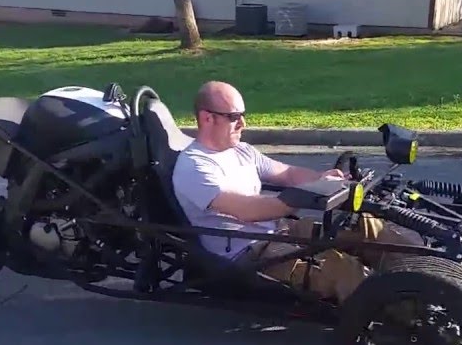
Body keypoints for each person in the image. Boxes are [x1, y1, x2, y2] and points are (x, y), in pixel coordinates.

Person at [170, 80, 420, 303]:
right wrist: (307, 195)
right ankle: (414, 313)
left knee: (364, 227)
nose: (243, 123)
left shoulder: (241, 150)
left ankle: (424, 274)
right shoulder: (194, 166)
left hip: (279, 231)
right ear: (207, 118)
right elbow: (247, 210)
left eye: (243, 115)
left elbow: (288, 173)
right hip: (250, 253)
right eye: (234, 117)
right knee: (341, 269)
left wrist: (323, 179)